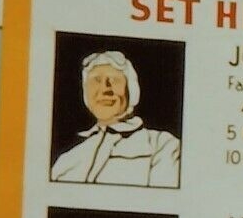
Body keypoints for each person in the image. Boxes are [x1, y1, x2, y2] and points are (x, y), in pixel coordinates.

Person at [50, 49, 181, 186]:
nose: (105, 89)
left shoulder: (162, 145)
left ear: (131, 88)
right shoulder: (66, 160)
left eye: (114, 80)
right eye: (96, 80)